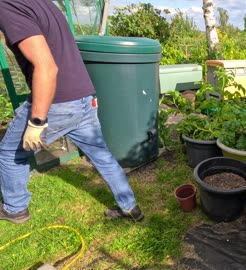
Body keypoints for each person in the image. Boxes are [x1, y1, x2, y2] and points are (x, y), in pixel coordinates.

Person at [0, 0, 144, 223]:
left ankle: (15, 208)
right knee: (102, 155)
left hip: (57, 101)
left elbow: (47, 67)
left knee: (10, 153)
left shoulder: (7, 6)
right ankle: (131, 208)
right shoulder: (44, 4)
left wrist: (36, 122)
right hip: (84, 96)